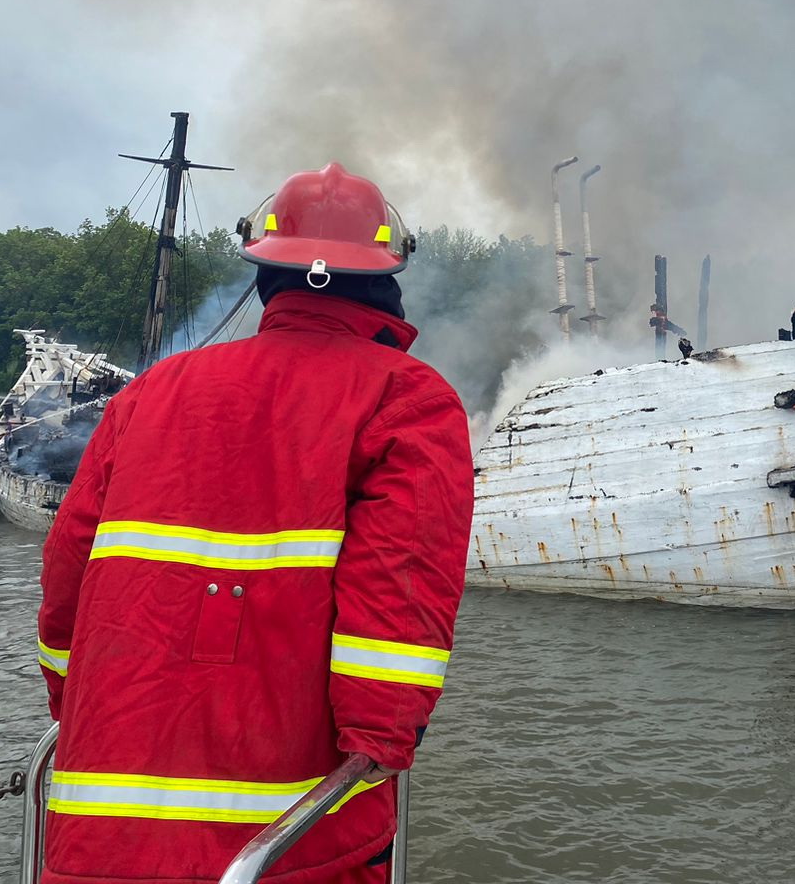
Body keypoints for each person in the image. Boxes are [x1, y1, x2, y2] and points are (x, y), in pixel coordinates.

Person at [37, 163, 475, 884]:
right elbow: (397, 606)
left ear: (265, 275)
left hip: (98, 837)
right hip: (291, 844)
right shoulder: (408, 399)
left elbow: (66, 581)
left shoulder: (151, 394)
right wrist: (379, 745)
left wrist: (80, 704)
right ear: (387, 282)